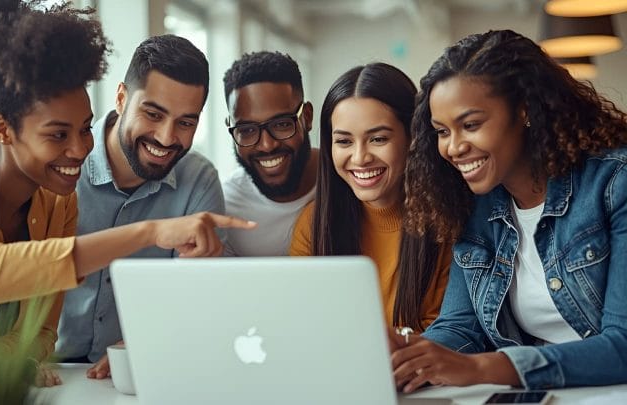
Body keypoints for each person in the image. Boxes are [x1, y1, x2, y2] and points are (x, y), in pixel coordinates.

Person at [0, 0, 253, 388]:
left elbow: (40, 334)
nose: (79, 149)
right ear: (2, 129)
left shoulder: (57, 203)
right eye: (58, 134)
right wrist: (151, 231)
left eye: (85, 128)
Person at [391, 29, 627, 392]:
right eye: (441, 131)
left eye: (470, 125)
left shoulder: (614, 185)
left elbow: (622, 345)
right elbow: (461, 327)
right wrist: (410, 358)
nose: (453, 148)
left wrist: (484, 368)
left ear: (525, 111)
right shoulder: (476, 207)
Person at [54, 34, 238, 378]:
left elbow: (200, 297)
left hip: (136, 373)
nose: (167, 138)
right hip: (47, 370)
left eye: (186, 122)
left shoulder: (198, 180)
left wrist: (146, 340)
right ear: (122, 98)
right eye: (153, 114)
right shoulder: (60, 165)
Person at [290, 63, 451, 332]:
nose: (360, 158)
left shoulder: (446, 221)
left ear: (413, 137)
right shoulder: (314, 224)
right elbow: (304, 324)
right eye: (344, 141)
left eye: (377, 139)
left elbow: (447, 334)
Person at [221, 51, 318, 256]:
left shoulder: (347, 181)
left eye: (282, 124)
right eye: (247, 130)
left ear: (307, 117)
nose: (267, 145)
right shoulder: (224, 207)